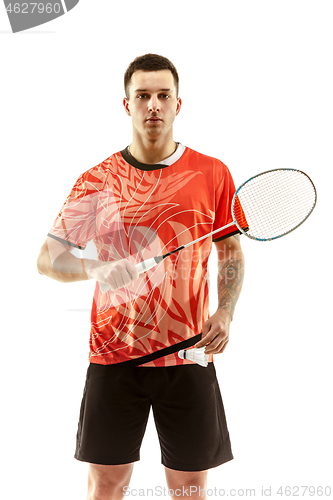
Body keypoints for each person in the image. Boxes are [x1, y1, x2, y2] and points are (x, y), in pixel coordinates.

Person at [37, 54, 245, 500]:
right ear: (126, 105)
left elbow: (230, 250)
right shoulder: (97, 180)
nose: (153, 105)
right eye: (143, 96)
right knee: (107, 486)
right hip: (114, 359)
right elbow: (47, 259)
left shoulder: (212, 174)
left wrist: (225, 311)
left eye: (163, 95)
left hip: (188, 355)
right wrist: (96, 267)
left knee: (189, 490)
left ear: (178, 104)